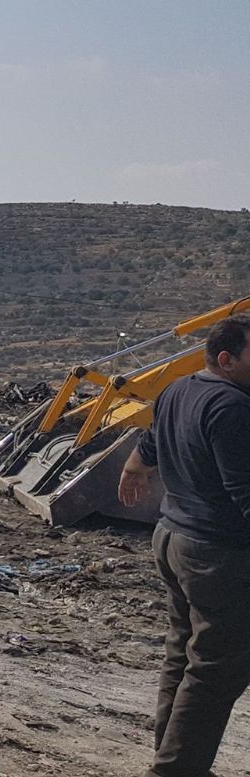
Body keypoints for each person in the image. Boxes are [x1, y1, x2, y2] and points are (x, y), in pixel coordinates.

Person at [117, 314, 250, 777]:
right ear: (228, 359)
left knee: (183, 654)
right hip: (217, 554)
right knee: (216, 668)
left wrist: (133, 467)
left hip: (173, 540)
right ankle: (176, 770)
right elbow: (246, 491)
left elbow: (151, 442)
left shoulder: (179, 389)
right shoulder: (233, 408)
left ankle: (172, 759)